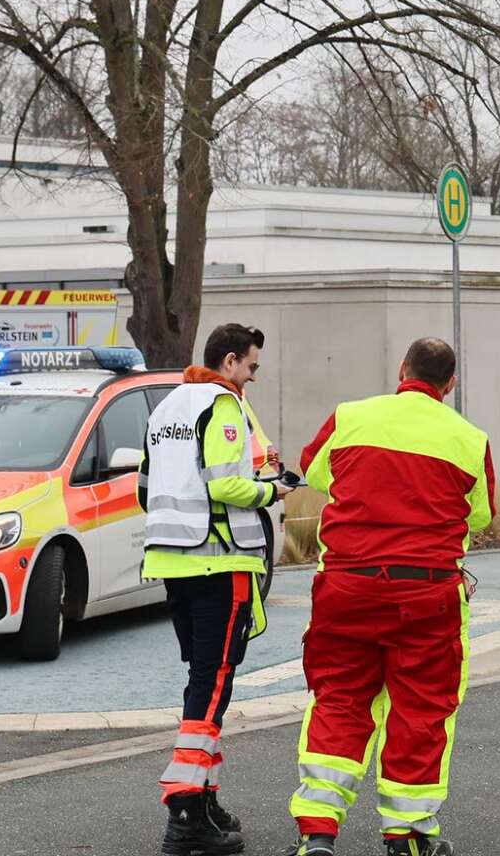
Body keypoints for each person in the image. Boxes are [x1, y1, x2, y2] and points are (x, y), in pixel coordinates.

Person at [281, 338, 495, 856]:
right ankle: (408, 836)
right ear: (451, 384)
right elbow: (481, 515)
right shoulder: (469, 439)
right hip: (427, 596)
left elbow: (313, 472)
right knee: (420, 710)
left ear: (401, 370)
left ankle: (318, 835)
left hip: (347, 589)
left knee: (339, 701)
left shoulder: (350, 417)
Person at [143, 323, 295, 856]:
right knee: (213, 682)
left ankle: (202, 798)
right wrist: (272, 489)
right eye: (251, 367)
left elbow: (150, 482)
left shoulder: (167, 406)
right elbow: (225, 484)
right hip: (219, 559)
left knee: (203, 678)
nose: (252, 377)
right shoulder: (222, 404)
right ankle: (185, 811)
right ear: (229, 362)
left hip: (172, 560)